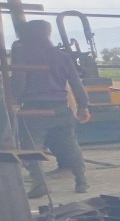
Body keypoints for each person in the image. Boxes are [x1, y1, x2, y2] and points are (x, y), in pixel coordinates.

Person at [9, 19, 91, 197]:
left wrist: (13, 100)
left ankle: (40, 184)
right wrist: (83, 106)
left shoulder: (22, 53)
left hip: (35, 109)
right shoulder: (62, 56)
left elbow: (19, 81)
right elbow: (76, 84)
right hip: (61, 109)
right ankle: (81, 181)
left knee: (31, 148)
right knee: (70, 145)